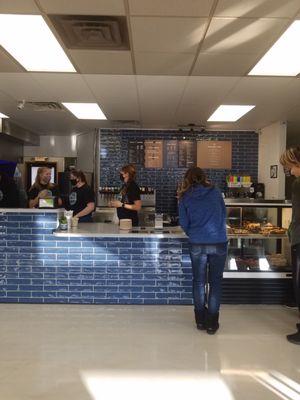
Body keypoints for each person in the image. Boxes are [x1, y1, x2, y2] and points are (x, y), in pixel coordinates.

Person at [178, 167, 227, 334]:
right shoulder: (215, 192)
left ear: (187, 179)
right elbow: (223, 214)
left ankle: (200, 321)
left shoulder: (184, 196)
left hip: (197, 243)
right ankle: (212, 323)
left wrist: (194, 233)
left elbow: (183, 223)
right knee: (215, 282)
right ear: (204, 177)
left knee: (198, 282)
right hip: (219, 242)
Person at [280, 146, 300, 345]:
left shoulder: (298, 183)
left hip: (299, 238)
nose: (288, 170)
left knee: (299, 283)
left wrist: (291, 230)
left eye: (288, 166)